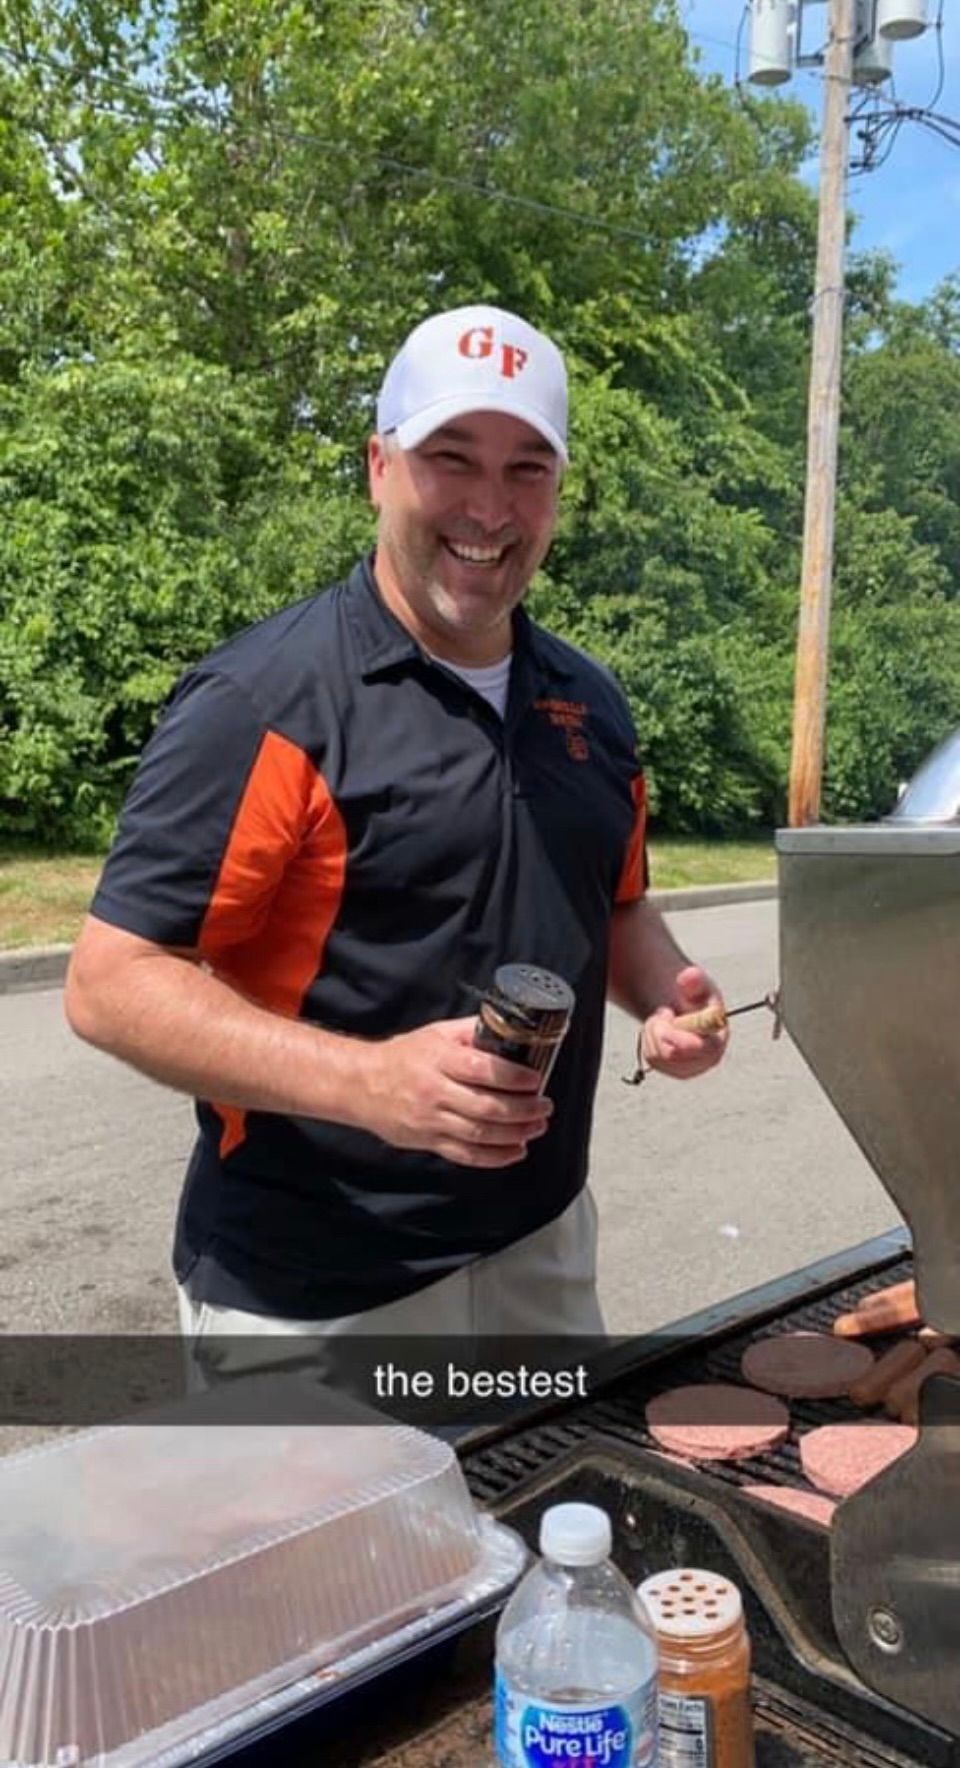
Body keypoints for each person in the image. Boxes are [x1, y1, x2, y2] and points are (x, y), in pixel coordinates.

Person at [65, 303, 729, 1356]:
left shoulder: (590, 704)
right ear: (379, 466)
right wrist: (367, 1084)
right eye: (449, 457)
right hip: (315, 1292)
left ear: (559, 493)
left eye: (526, 469)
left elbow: (617, 903)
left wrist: (669, 992)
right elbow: (110, 981)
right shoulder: (265, 699)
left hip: (539, 1251)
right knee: (352, 1535)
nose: (488, 506)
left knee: (553, 1523)